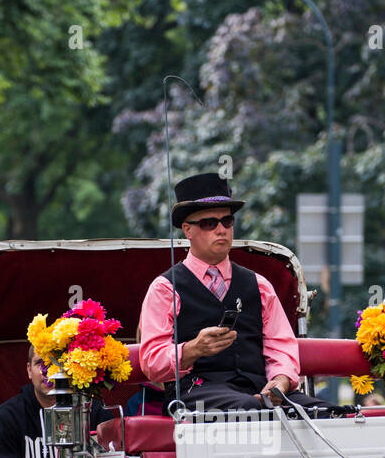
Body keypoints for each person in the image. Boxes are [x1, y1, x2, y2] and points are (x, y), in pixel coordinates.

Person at [137, 172, 332, 414]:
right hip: (195, 394)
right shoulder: (165, 289)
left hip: (258, 391)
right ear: (187, 230)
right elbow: (151, 362)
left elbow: (281, 347)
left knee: (330, 413)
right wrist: (193, 349)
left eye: (227, 221)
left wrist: (280, 381)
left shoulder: (259, 286)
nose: (221, 230)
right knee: (249, 408)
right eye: (209, 223)